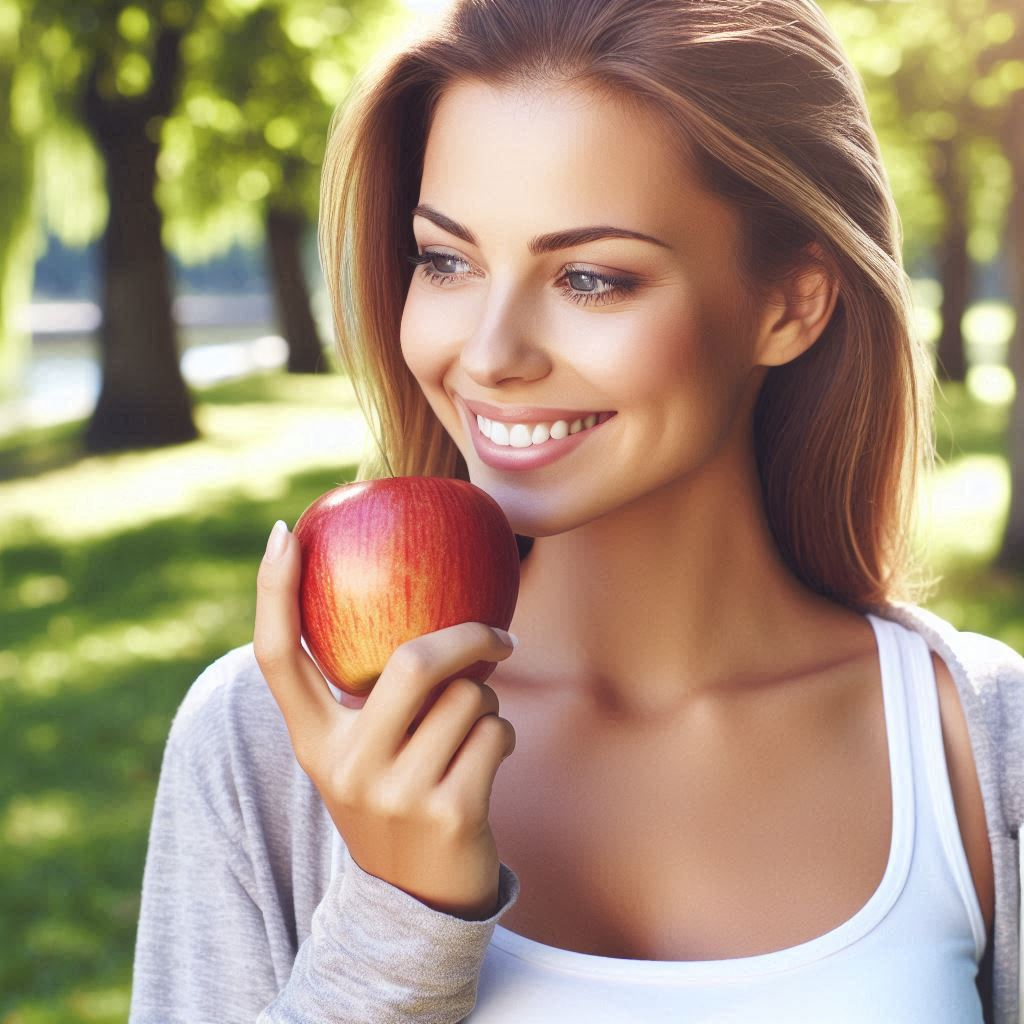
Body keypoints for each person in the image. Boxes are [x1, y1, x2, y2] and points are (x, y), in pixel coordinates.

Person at [128, 0, 1024, 1021]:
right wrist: (396, 919)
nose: (491, 351)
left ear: (790, 304)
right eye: (447, 260)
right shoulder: (264, 742)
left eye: (590, 278)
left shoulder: (984, 749)